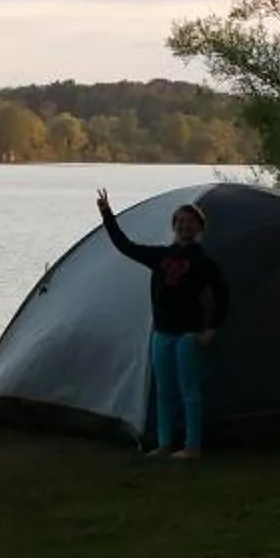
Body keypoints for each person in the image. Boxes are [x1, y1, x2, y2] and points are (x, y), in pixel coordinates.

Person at [97, 189, 230, 459]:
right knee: (164, 391)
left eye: (190, 223)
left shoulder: (203, 261)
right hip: (162, 333)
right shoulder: (160, 256)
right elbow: (125, 245)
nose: (184, 226)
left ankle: (192, 446)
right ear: (174, 226)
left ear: (199, 228)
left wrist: (210, 330)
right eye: (180, 222)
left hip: (188, 335)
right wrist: (107, 214)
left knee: (189, 391)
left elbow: (223, 296)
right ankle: (165, 444)